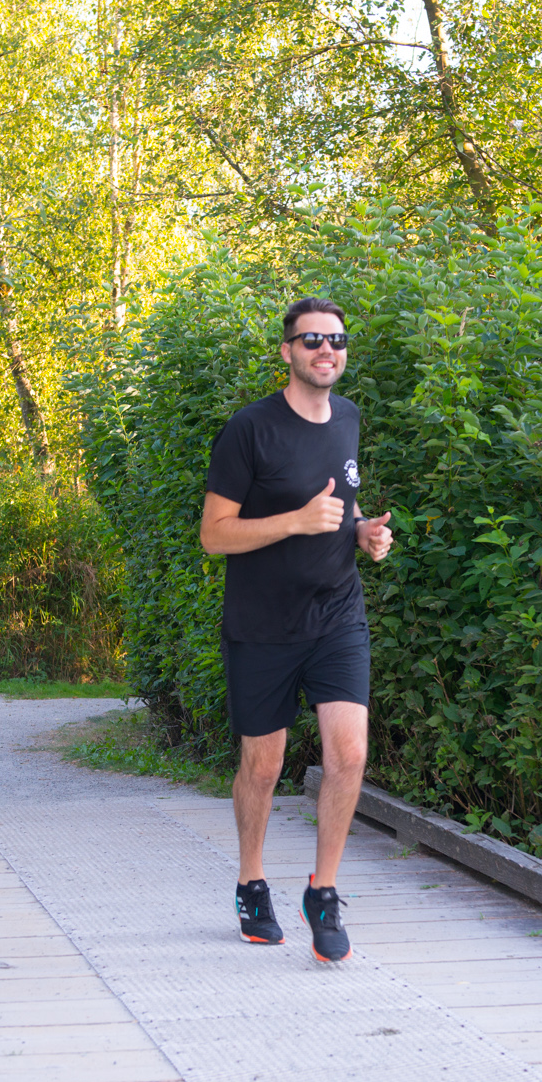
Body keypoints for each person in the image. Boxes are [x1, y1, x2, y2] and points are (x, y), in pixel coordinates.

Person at [199, 297, 394, 962]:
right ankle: (252, 880)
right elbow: (213, 534)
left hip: (337, 613)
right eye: (311, 339)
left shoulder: (348, 418)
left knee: (348, 754)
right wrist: (293, 521)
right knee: (265, 765)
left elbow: (342, 496)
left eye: (336, 340)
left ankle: (324, 889)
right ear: (286, 350)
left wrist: (363, 530)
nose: (325, 350)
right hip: (262, 624)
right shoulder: (249, 431)